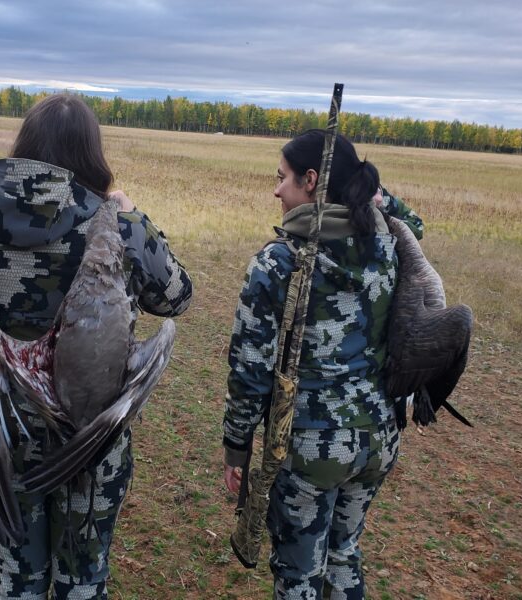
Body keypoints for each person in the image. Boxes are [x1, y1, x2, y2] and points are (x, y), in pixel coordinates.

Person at [0, 93, 192, 599]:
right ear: (92, 152)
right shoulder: (121, 227)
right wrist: (139, 217)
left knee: (17, 575)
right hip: (90, 433)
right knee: (82, 577)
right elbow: (177, 298)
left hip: (8, 425)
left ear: (25, 145)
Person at [222, 130, 423, 599]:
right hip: (377, 438)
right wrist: (376, 191)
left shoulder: (278, 262)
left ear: (311, 181)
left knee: (298, 574)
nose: (275, 190)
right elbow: (415, 223)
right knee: (344, 557)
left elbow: (250, 371)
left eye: (282, 178)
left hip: (309, 447)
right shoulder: (386, 247)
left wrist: (237, 448)